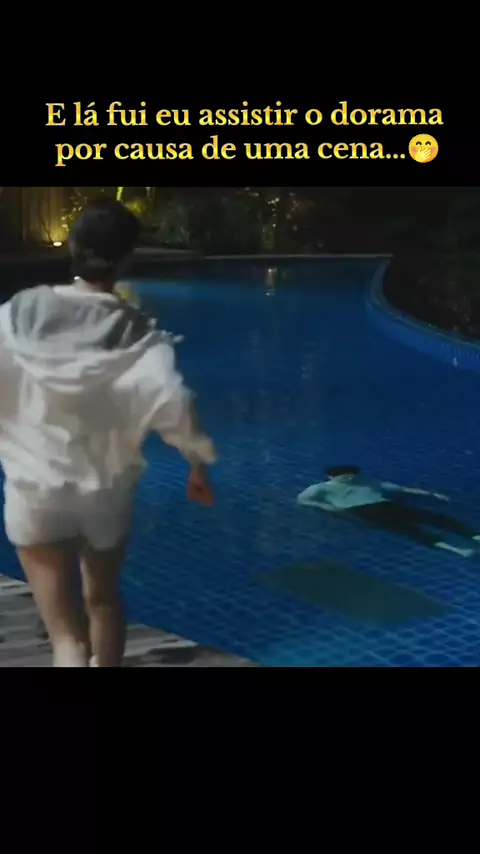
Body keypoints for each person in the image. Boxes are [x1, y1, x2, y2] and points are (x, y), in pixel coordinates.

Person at [0, 199, 217, 667]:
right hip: (105, 492)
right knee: (102, 599)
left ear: (73, 248)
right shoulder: (136, 329)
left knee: (66, 638)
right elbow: (175, 403)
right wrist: (197, 465)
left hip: (35, 487)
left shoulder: (17, 314)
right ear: (126, 258)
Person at [297, 465, 480, 558]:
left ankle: (474, 536)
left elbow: (401, 489)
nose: (349, 478)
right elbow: (302, 500)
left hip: (385, 505)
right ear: (331, 476)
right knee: (408, 529)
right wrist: (325, 507)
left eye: (351, 475)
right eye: (344, 476)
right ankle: (456, 548)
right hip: (362, 511)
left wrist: (430, 494)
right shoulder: (320, 488)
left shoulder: (367, 481)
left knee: (435, 518)